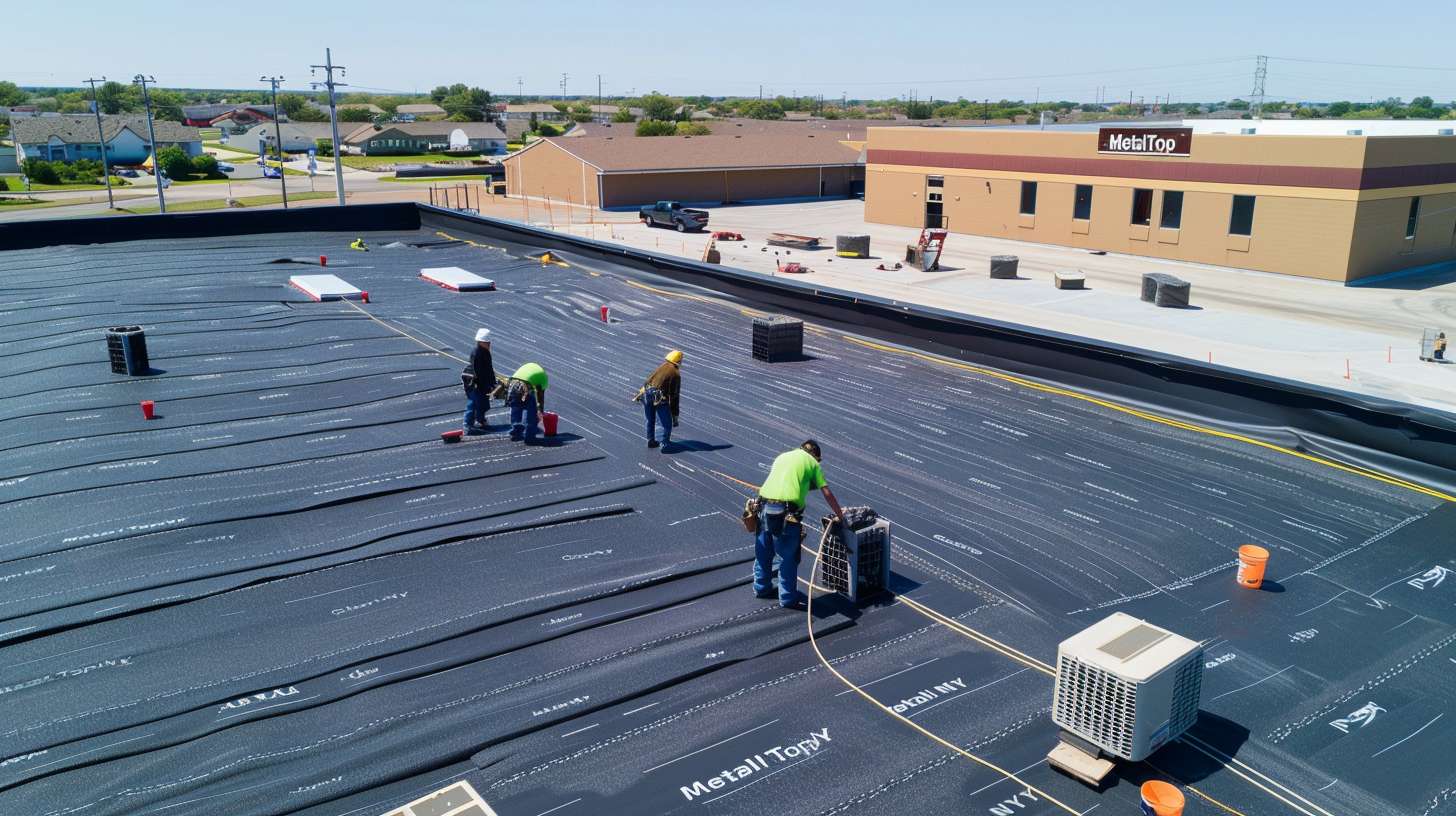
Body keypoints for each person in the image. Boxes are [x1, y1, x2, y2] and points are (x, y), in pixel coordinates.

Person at [752, 440, 845, 609]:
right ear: (815, 456)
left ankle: (761, 588)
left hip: (763, 506)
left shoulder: (783, 456)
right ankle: (787, 598)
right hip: (787, 513)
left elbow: (787, 480)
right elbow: (827, 492)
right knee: (788, 556)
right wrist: (840, 515)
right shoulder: (813, 464)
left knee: (764, 550)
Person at [637, 350, 682, 449]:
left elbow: (647, 381)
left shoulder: (661, 367)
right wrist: (675, 415)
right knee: (667, 423)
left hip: (647, 394)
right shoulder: (675, 373)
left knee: (650, 419)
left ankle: (651, 440)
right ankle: (664, 443)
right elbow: (674, 396)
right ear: (678, 361)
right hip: (659, 397)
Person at [461, 328, 494, 433]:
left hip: (483, 383)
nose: (488, 344)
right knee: (474, 403)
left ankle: (481, 420)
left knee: (483, 403)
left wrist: (492, 382)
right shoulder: (476, 353)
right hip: (474, 383)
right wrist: (482, 384)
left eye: (489, 342)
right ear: (480, 342)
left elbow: (489, 369)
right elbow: (477, 371)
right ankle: (467, 424)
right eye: (486, 342)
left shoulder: (486, 353)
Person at [506, 361, 548, 443]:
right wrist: (540, 411)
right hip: (524, 386)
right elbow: (540, 396)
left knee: (516, 408)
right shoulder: (543, 379)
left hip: (512, 384)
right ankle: (530, 435)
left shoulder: (531, 369)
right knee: (531, 410)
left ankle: (516, 432)